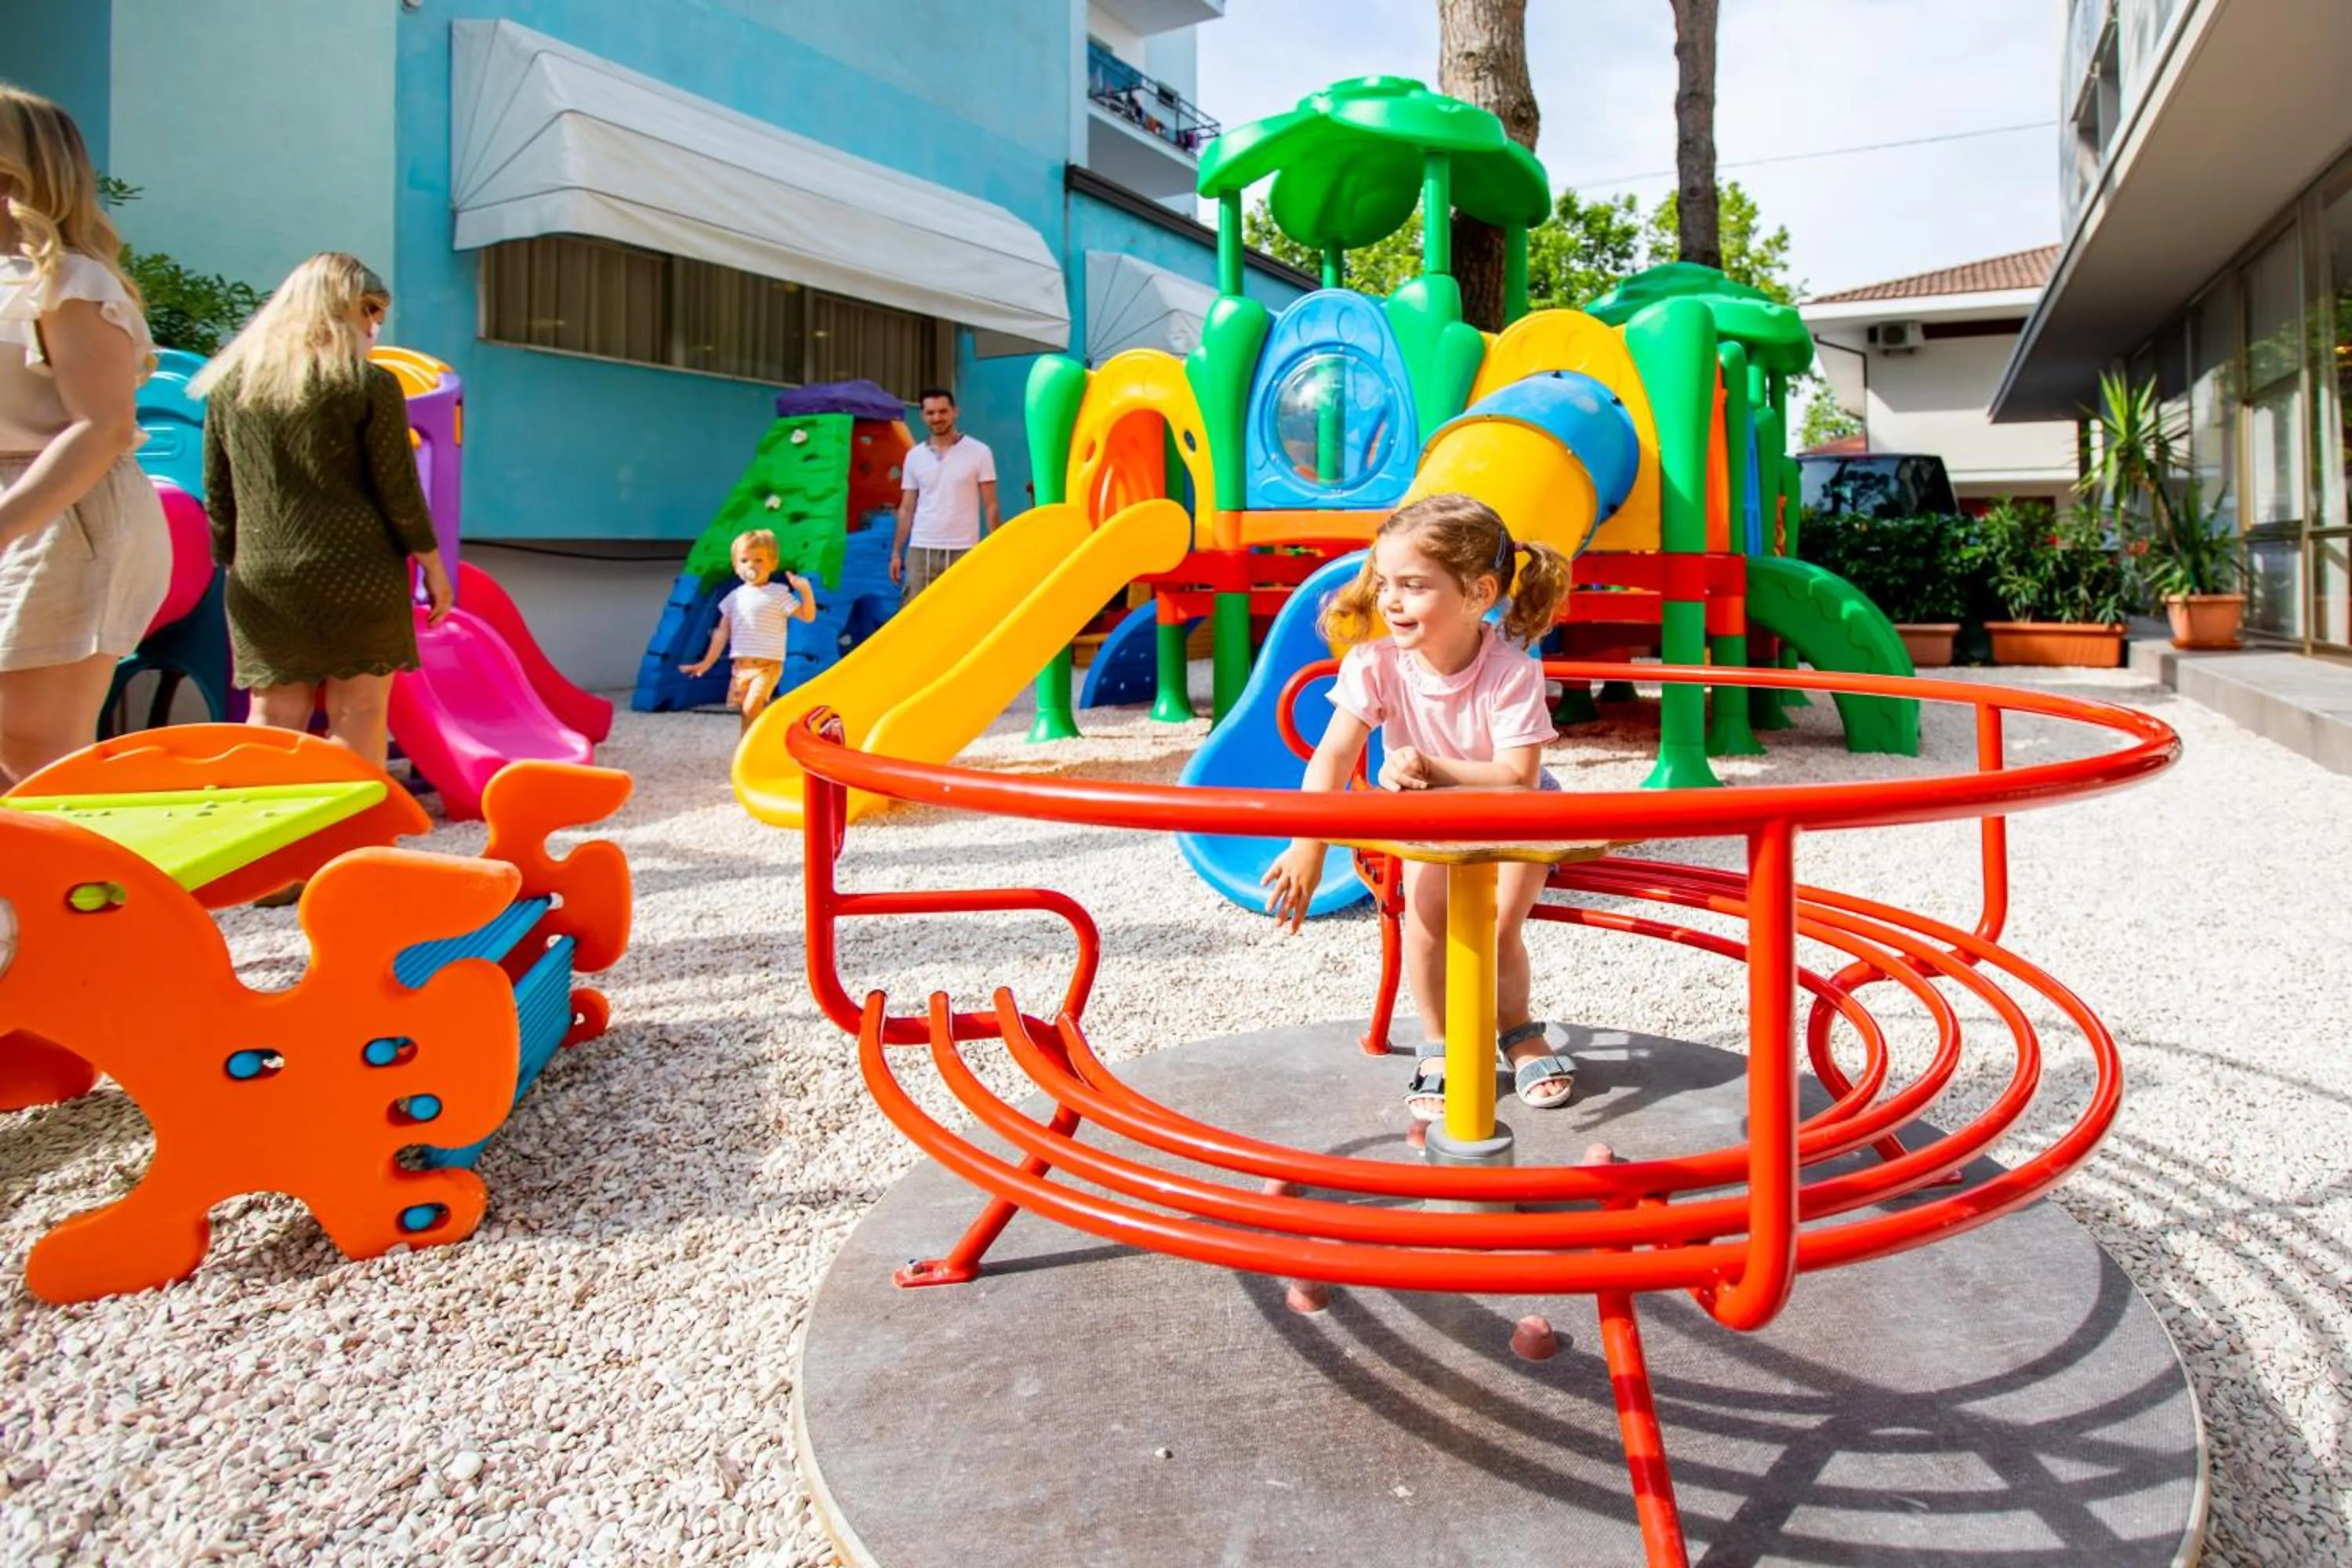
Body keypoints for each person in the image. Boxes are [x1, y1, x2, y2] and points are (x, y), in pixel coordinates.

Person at [1261, 493, 1579, 1119]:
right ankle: (1438, 1042)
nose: (1392, 602)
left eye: (1413, 585)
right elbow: (1330, 757)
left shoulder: (1511, 673)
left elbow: (1518, 777)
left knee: (1492, 921)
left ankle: (1515, 1029)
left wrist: (1434, 768)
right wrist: (1308, 844)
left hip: (1518, 816)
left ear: (1478, 593)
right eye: (1385, 584)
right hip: (1433, 822)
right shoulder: (1377, 665)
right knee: (1429, 916)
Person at [191, 253, 452, 771]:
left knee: (272, 712)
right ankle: (355, 838)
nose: (374, 325)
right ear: (332, 310)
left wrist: (230, 561)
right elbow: (398, 491)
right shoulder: (369, 384)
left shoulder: (230, 387)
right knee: (358, 710)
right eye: (367, 310)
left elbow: (218, 491)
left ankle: (263, 837)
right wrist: (433, 567)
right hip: (359, 570)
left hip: (261, 572)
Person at [0, 85, 169, 786]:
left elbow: (102, 428)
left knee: (34, 743)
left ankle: (91, 894)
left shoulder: (68, 279)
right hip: (28, 509)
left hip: (61, 514)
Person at [681, 528, 816, 728]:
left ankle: (763, 739)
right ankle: (747, 751)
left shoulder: (778, 594)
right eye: (744, 560)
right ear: (736, 567)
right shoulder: (734, 597)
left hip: (768, 666)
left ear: (773, 564)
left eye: (759, 560)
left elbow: (807, 616)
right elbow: (722, 633)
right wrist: (706, 663)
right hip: (741, 667)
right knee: (746, 714)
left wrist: (805, 591)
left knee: (752, 706)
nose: (751, 565)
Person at [888, 387, 996, 601]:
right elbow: (907, 508)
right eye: (930, 413)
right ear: (922, 416)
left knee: (963, 613)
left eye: (943, 411)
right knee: (916, 613)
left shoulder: (980, 452)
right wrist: (896, 552)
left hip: (964, 548)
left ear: (955, 412)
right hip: (921, 548)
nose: (937, 418)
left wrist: (995, 548)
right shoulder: (914, 456)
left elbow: (991, 506)